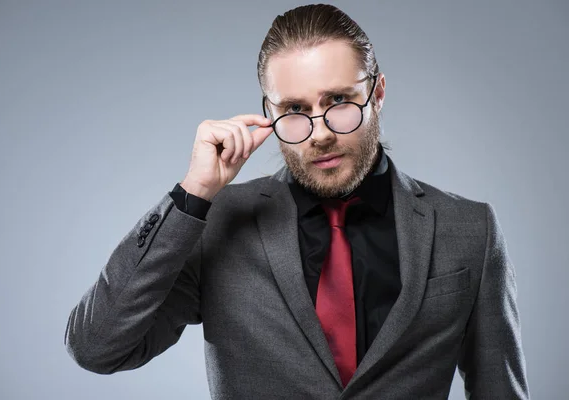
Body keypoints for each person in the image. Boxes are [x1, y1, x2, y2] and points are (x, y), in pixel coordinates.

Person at [64, 4, 529, 399]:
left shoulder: (468, 228)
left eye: (339, 101)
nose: (321, 132)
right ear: (268, 114)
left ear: (378, 94)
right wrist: (192, 194)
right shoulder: (217, 221)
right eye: (295, 109)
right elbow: (97, 347)